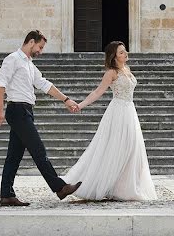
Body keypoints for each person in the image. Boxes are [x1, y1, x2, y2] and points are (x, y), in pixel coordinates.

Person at [0, 30, 82, 206]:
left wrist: (65, 99)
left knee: (14, 156)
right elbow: (0, 83)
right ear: (31, 42)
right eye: (40, 47)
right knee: (38, 150)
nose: (40, 51)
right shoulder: (13, 59)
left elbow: (43, 84)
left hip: (26, 111)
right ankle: (59, 187)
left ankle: (6, 195)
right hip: (17, 110)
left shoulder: (28, 64)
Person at [62, 41, 157, 201]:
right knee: (115, 148)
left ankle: (123, 187)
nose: (125, 53)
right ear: (114, 56)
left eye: (124, 50)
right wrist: (81, 105)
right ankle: (94, 184)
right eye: (121, 52)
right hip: (118, 112)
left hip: (129, 111)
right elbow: (98, 91)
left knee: (132, 148)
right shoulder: (111, 73)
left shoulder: (126, 69)